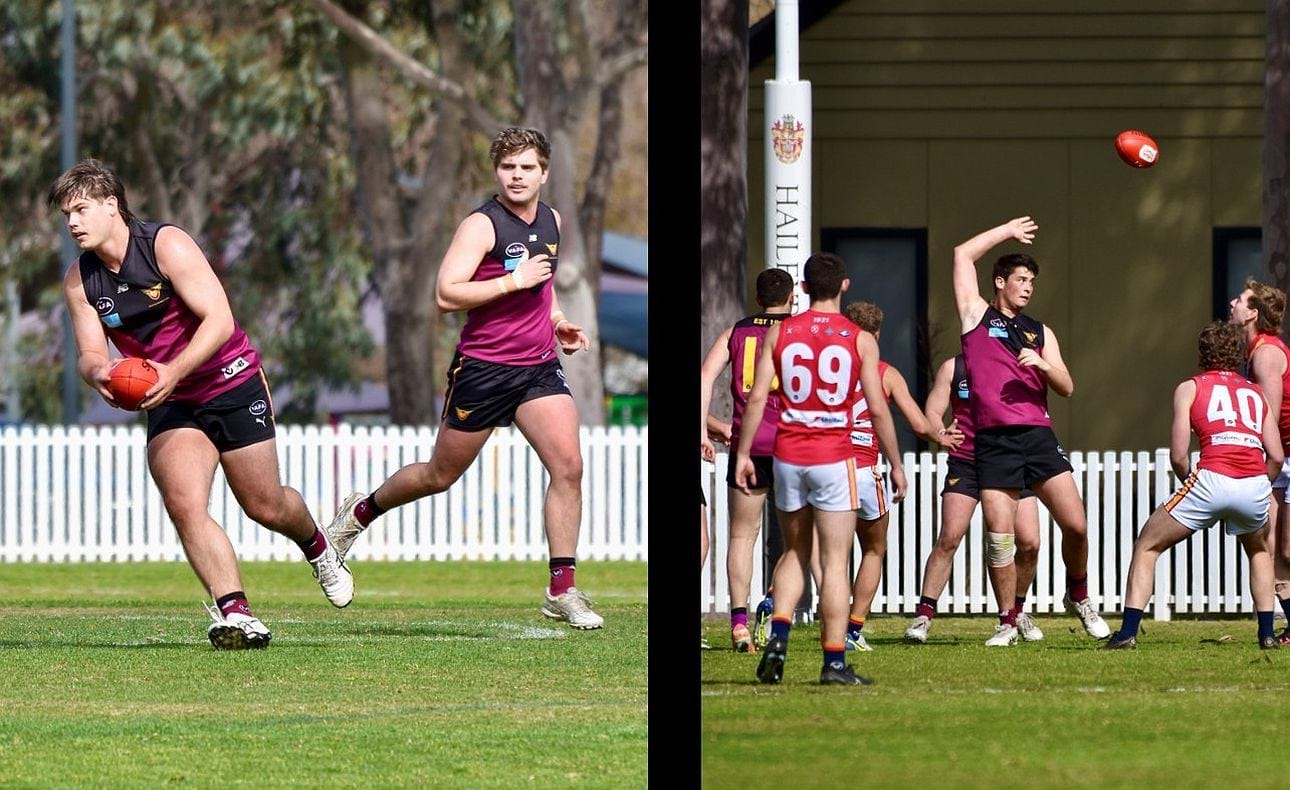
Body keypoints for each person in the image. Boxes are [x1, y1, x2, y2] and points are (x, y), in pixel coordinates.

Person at [52, 158, 352, 650]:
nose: (73, 223)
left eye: (81, 210)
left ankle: (319, 548)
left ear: (112, 206)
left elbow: (219, 320)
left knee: (264, 503)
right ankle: (236, 613)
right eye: (67, 215)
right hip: (171, 400)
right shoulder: (80, 281)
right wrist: (99, 374)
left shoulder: (165, 245)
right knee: (184, 503)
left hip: (229, 380)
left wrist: (173, 370)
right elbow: (89, 352)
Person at [322, 128, 602, 630]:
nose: (516, 176)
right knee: (439, 475)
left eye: (526, 167)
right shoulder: (481, 225)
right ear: (497, 171)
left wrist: (559, 323)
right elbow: (446, 293)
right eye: (507, 167)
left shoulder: (553, 220)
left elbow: (544, 292)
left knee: (569, 467)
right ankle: (358, 514)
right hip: (484, 369)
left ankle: (562, 590)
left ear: (545, 172)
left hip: (537, 367)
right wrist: (510, 280)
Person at [735, 252, 908, 686]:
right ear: (844, 286)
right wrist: (896, 462)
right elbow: (878, 409)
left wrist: (741, 454)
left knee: (794, 552)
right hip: (835, 456)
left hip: (788, 454)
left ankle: (778, 637)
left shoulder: (782, 332)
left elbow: (757, 398)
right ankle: (833, 663)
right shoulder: (858, 339)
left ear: (804, 289)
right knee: (835, 562)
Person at [952, 217, 1109, 646]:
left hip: (1037, 436)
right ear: (999, 281)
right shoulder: (976, 317)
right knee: (1002, 540)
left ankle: (1077, 595)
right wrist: (1006, 231)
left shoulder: (1040, 331)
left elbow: (1068, 386)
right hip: (995, 442)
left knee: (1075, 526)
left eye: (1032, 282)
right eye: (1020, 279)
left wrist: (1044, 364)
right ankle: (1007, 620)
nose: (1027, 287)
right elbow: (961, 254)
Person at [1106, 322, 1283, 650]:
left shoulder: (1190, 387)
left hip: (1211, 478)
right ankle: (1267, 635)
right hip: (1254, 482)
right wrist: (1260, 484)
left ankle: (1128, 633)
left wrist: (1193, 484)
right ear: (1237, 354)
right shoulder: (1256, 394)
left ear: (1203, 353)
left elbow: (1178, 454)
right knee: (1259, 550)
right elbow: (1275, 454)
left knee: (1147, 544)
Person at [840, 301, 960, 651]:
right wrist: (941, 435)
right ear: (876, 334)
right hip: (864, 468)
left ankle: (776, 608)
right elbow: (919, 423)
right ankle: (852, 630)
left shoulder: (827, 367)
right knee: (874, 549)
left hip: (824, 465)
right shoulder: (885, 372)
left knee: (819, 552)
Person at [904, 354, 1045, 644]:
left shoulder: (1014, 362)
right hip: (966, 463)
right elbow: (933, 411)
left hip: (1011, 462)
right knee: (950, 537)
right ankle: (924, 616)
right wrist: (940, 433)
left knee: (1029, 543)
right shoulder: (953, 367)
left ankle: (1016, 612)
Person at [699, 268, 794, 652]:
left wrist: (701, 429)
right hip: (793, 445)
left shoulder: (736, 332)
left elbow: (704, 378)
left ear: (757, 299)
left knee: (742, 536)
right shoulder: (797, 331)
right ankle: (773, 605)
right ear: (792, 298)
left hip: (747, 447)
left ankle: (738, 622)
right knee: (801, 540)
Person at [1230, 280, 1290, 641]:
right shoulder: (1253, 350)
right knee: (1270, 546)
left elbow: (1265, 413)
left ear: (1253, 312)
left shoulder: (1266, 352)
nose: (1232, 303)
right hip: (1281, 456)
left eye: (1239, 300)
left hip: (1285, 453)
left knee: (1285, 547)